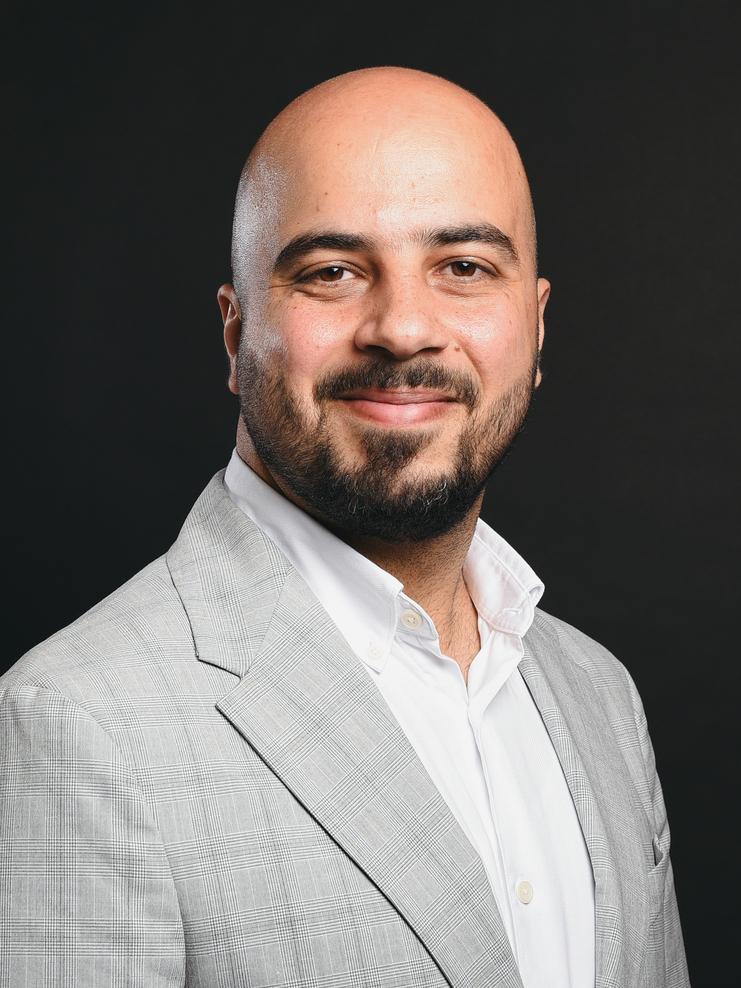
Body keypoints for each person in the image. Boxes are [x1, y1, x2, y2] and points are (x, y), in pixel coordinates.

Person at [0, 66, 690, 987]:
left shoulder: (597, 694)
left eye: (463, 267)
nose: (402, 329)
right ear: (235, 333)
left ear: (534, 328)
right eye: (331, 271)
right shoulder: (76, 726)